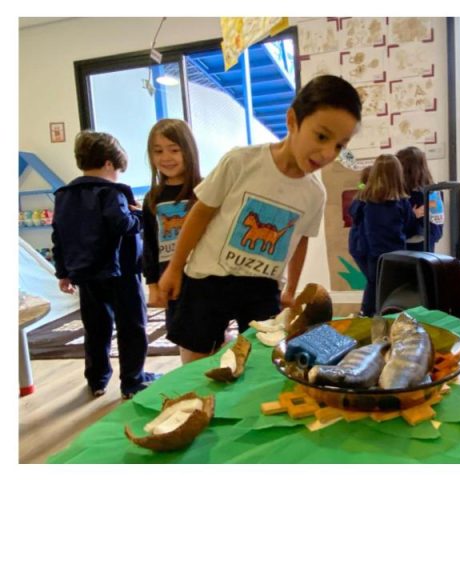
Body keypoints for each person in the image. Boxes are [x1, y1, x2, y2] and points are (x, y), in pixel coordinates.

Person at [158, 74, 362, 363]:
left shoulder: (315, 193)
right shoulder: (241, 161)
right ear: (292, 120)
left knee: (264, 358)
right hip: (208, 277)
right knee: (196, 358)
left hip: (263, 285)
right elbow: (201, 212)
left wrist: (291, 288)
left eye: (340, 145)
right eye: (321, 136)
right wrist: (175, 267)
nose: (328, 152)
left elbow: (300, 239)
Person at [51, 131, 158, 399]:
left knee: (96, 328)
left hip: (86, 272)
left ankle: (97, 379)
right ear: (109, 163)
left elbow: (59, 235)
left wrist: (63, 272)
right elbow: (121, 224)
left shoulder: (64, 194)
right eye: (118, 170)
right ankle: (132, 381)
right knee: (132, 325)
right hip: (121, 272)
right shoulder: (111, 192)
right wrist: (141, 217)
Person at [141, 119, 201, 350]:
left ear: (188, 150)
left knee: (210, 334)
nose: (166, 157)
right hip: (171, 280)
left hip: (204, 279)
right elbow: (149, 245)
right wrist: (153, 285)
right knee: (182, 335)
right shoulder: (153, 198)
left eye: (174, 150)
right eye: (158, 151)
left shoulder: (204, 190)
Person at [348, 154, 414, 316]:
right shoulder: (401, 202)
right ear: (397, 175)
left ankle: (369, 314)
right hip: (382, 252)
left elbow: (354, 215)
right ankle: (371, 314)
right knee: (377, 284)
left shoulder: (364, 200)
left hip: (368, 251)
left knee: (375, 284)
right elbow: (409, 226)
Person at [396, 146, 441, 252]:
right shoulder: (433, 190)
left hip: (411, 248)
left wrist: (412, 216)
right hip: (426, 247)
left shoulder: (408, 195)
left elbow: (398, 228)